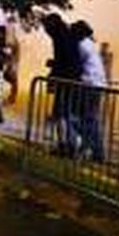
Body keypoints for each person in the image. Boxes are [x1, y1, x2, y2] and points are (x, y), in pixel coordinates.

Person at [42, 13, 82, 156]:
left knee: (61, 115)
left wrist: (53, 75)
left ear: (52, 25)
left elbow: (64, 61)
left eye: (46, 26)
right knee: (65, 114)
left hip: (65, 81)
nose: (45, 30)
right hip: (72, 80)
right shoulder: (67, 35)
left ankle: (66, 146)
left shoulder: (60, 37)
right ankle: (69, 146)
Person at [70, 20, 107, 162]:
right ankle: (96, 152)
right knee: (91, 119)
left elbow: (75, 65)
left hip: (88, 85)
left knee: (74, 117)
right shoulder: (91, 44)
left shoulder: (81, 45)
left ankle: (93, 148)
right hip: (97, 85)